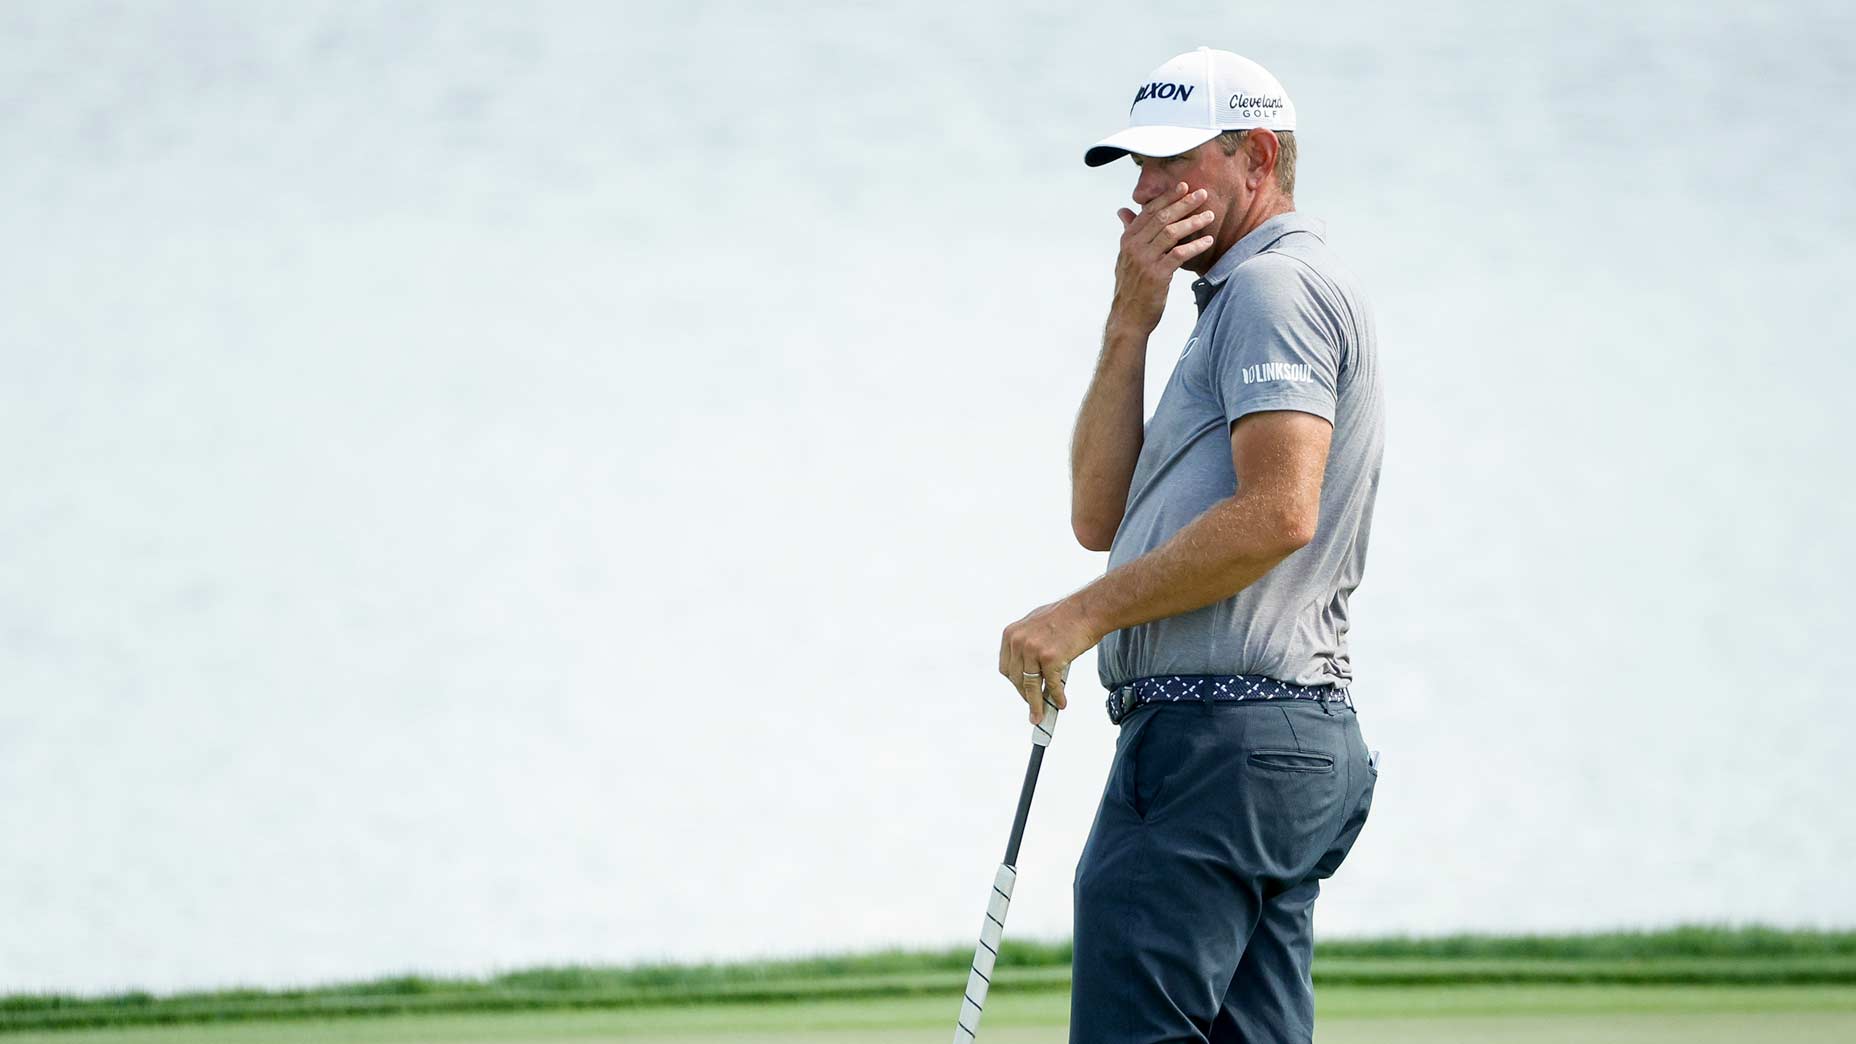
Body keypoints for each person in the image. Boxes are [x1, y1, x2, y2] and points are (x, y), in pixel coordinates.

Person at [994, 46, 1385, 1043]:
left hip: (1215, 746)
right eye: (1136, 168)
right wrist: (1131, 320)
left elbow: (1278, 510)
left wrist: (1078, 617)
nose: (1144, 190)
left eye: (1172, 166)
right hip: (1269, 747)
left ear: (1253, 159)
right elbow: (1097, 515)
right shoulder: (1229, 304)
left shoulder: (1271, 291)